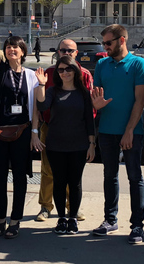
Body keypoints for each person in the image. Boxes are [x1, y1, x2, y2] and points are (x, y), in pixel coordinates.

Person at [0, 0, 40, 239]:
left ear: (23, 52)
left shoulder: (32, 75)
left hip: (22, 132)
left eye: (16, 47)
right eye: (8, 46)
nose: (11, 49)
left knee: (20, 179)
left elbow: (34, 106)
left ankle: (15, 220)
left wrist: (34, 133)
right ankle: (1, 219)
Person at [89, 24, 144, 244]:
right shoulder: (102, 64)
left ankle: (137, 226)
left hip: (132, 132)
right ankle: (110, 219)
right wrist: (96, 104)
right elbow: (97, 97)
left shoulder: (138, 63)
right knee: (109, 176)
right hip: (106, 130)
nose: (105, 47)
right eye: (104, 43)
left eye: (108, 43)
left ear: (121, 40)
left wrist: (129, 131)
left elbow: (140, 100)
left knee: (135, 177)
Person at [34, 57, 95, 235]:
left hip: (79, 144)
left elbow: (89, 120)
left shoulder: (83, 93)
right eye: (60, 70)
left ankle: (73, 218)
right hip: (55, 145)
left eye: (68, 69)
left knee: (75, 183)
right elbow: (42, 104)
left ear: (75, 70)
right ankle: (61, 218)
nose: (65, 73)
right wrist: (41, 85)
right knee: (59, 182)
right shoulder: (53, 91)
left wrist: (92, 144)